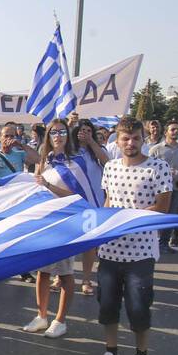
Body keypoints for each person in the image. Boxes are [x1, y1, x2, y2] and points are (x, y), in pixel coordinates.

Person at [89, 116, 173, 355]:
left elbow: (162, 208)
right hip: (110, 250)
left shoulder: (158, 167)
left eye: (136, 138)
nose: (131, 143)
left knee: (139, 307)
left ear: (143, 139)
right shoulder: (110, 167)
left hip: (141, 252)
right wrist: (103, 223)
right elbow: (109, 200)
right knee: (108, 304)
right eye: (125, 138)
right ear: (118, 140)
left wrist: (127, 217)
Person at [26, 121, 85, 337]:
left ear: (68, 135)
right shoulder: (45, 161)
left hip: (66, 223)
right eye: (53, 132)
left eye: (62, 132)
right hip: (45, 222)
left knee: (65, 274)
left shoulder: (76, 162)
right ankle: (41, 315)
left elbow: (77, 197)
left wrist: (48, 186)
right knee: (43, 271)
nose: (58, 136)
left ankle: (60, 320)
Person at [70, 119, 110, 295]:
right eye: (81, 130)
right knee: (69, 241)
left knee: (89, 244)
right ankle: (60, 276)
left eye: (88, 130)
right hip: (73, 203)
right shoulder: (69, 151)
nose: (84, 133)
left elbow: (107, 163)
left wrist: (92, 142)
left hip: (93, 203)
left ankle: (86, 279)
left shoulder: (98, 151)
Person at [148, 120, 178, 251]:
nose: (176, 132)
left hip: (176, 188)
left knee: (171, 216)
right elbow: (147, 168)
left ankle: (164, 243)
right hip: (158, 190)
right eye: (173, 129)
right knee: (157, 215)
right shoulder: (156, 149)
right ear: (166, 132)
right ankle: (151, 240)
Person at [0, 123, 39, 187]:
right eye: (6, 136)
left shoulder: (20, 155)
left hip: (16, 194)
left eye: (12, 136)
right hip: (0, 195)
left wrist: (21, 145)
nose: (9, 138)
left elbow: (38, 159)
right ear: (0, 138)